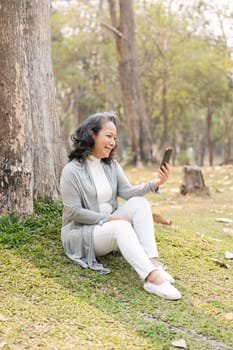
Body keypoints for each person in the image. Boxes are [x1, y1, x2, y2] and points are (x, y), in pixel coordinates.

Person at [60, 112, 181, 300]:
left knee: (140, 203)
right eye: (108, 136)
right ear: (92, 134)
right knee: (121, 226)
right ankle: (152, 279)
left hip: (111, 227)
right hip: (83, 233)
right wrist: (108, 218)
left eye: (115, 138)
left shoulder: (111, 166)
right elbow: (73, 212)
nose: (113, 143)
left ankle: (153, 262)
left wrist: (154, 183)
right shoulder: (71, 171)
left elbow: (128, 193)